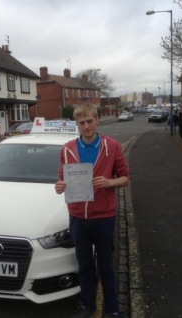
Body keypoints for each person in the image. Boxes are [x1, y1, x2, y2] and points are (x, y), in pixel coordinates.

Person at [55, 103, 129, 318]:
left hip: (104, 216)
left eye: (90, 121)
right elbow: (62, 178)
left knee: (106, 266)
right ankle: (88, 306)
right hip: (78, 217)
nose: (86, 126)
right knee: (84, 266)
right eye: (82, 122)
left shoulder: (112, 146)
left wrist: (108, 182)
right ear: (77, 124)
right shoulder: (67, 149)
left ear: (97, 120)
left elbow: (124, 178)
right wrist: (59, 186)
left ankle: (112, 309)